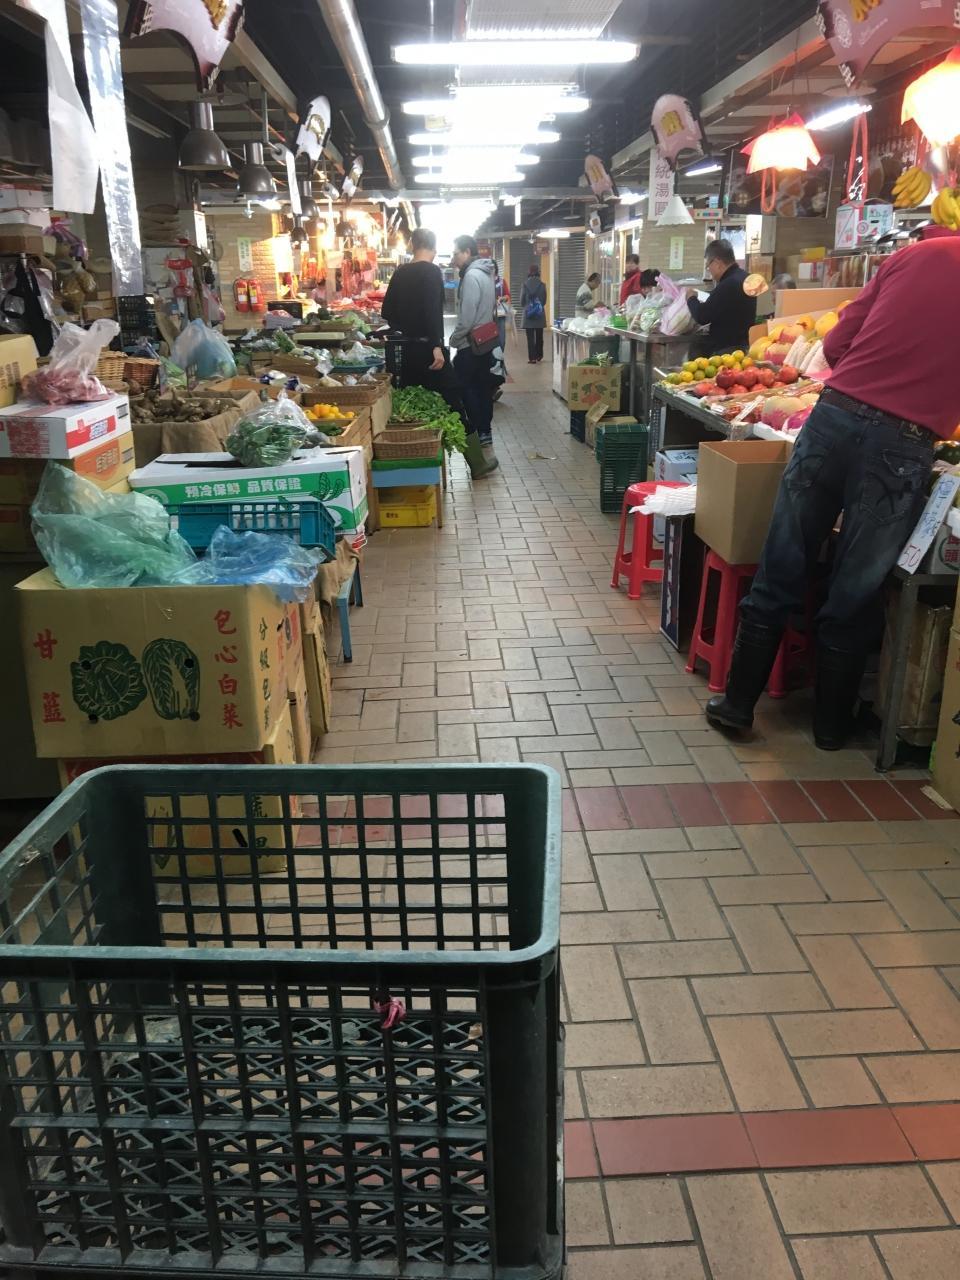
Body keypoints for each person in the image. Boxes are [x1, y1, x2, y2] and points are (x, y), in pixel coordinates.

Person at [705, 228, 960, 750]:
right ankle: (830, 728)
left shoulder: (914, 255)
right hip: (905, 444)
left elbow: (838, 343)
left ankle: (736, 704)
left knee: (782, 563)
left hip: (832, 419)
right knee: (855, 586)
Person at [450, 234, 499, 477]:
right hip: (485, 342)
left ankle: (477, 435)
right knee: (482, 388)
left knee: (465, 388)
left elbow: (467, 317)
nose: (454, 259)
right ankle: (485, 433)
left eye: (456, 253)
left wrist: (454, 339)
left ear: (467, 252)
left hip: (470, 344)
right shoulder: (486, 273)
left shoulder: (470, 276)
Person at [380, 226, 446, 385]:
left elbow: (386, 311)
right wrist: (436, 346)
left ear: (412, 246)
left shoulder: (400, 272)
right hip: (428, 349)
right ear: (433, 248)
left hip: (405, 347)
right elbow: (432, 311)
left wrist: (403, 326)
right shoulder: (433, 272)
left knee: (410, 391)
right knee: (434, 393)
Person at [686, 239, 756, 356]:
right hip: (744, 347)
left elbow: (702, 316)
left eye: (708, 266)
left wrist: (691, 298)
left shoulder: (728, 284)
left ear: (717, 263)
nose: (709, 271)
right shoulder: (746, 278)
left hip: (726, 351)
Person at [520, 264, 547, 363]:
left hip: (528, 314)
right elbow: (544, 301)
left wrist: (527, 306)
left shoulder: (524, 285)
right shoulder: (542, 285)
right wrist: (538, 306)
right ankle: (539, 355)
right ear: (538, 272)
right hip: (539, 314)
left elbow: (522, 301)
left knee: (530, 338)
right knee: (539, 336)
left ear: (529, 272)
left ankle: (532, 358)